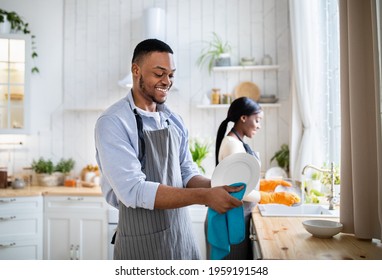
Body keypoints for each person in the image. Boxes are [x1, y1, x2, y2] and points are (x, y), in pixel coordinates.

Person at [94, 38, 244, 260]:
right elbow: (134, 190)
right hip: (141, 243)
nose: (167, 81)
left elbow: (185, 170)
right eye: (159, 73)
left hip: (181, 238)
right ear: (136, 70)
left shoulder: (173, 120)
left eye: (171, 74)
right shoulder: (113, 122)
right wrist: (205, 195)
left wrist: (218, 186)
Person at [205, 97, 300, 260]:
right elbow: (239, 189)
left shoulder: (237, 143)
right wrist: (272, 197)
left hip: (236, 217)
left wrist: (266, 184)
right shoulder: (232, 145)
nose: (259, 125)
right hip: (229, 221)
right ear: (243, 118)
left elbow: (241, 182)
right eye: (257, 120)